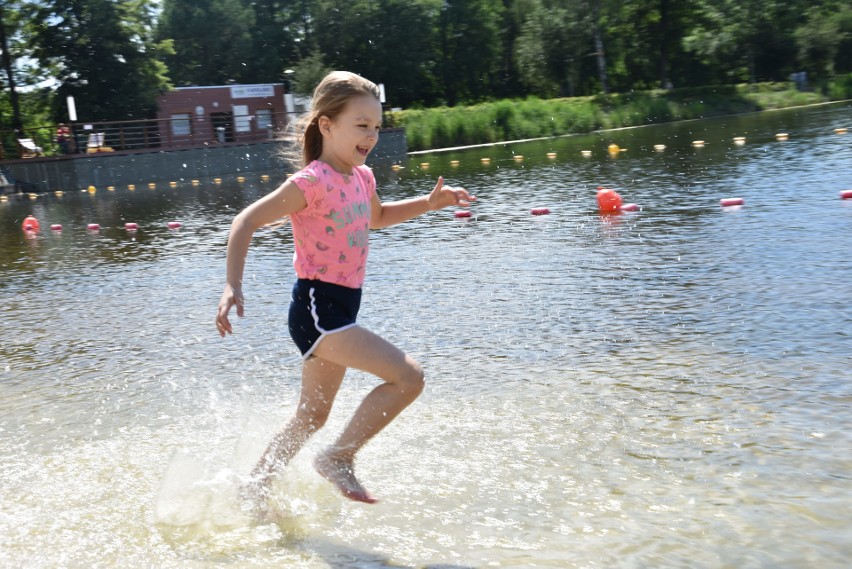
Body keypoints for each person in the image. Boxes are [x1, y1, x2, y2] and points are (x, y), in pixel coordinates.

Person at [215, 71, 474, 506]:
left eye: (376, 126)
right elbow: (246, 221)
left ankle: (255, 488)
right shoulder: (310, 183)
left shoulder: (362, 177)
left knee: (312, 415)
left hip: (340, 311)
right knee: (408, 377)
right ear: (327, 125)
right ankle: (339, 456)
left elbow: (378, 218)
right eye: (361, 125)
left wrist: (428, 204)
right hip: (318, 309)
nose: (371, 135)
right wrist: (231, 285)